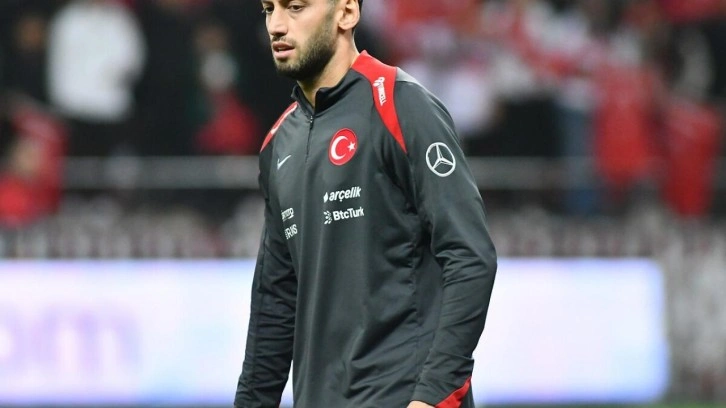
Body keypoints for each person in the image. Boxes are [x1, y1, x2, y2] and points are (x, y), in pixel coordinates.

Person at [234, 1, 497, 407]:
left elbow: (470, 256)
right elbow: (276, 301)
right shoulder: (278, 143)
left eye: (296, 7)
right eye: (269, 9)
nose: (277, 25)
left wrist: (434, 395)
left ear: (346, 13)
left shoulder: (401, 105)